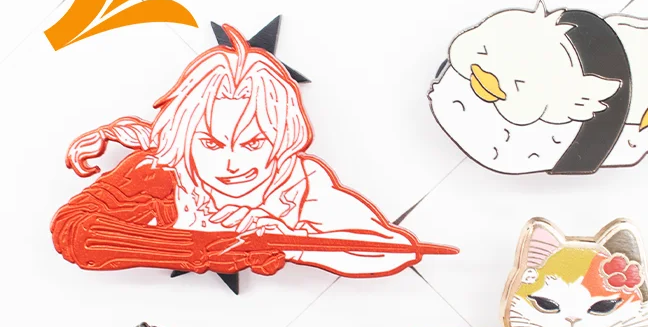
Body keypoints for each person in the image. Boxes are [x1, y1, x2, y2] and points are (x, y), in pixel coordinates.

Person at [52, 24, 423, 277]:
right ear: (184, 137)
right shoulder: (158, 172)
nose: (231, 163)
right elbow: (74, 232)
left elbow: (397, 249)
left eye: (253, 143)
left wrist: (291, 243)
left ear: (282, 138)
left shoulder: (298, 183)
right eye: (211, 143)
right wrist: (195, 249)